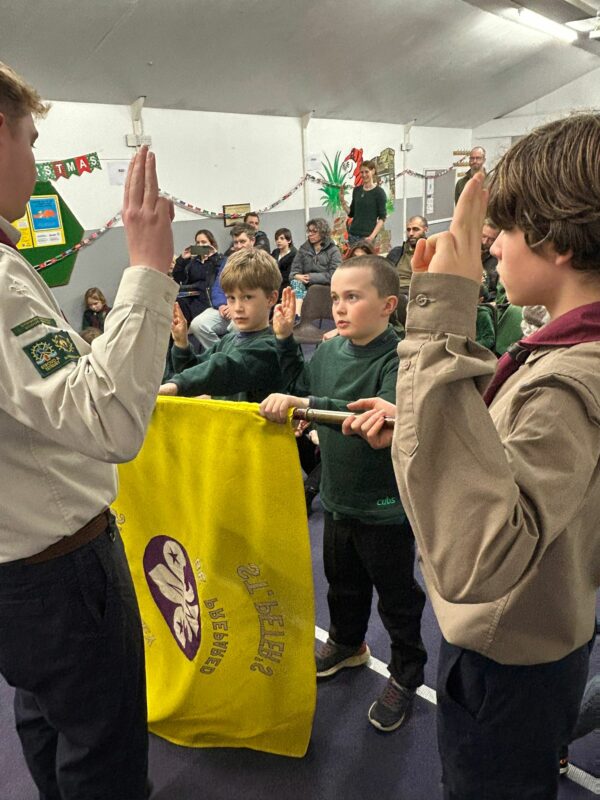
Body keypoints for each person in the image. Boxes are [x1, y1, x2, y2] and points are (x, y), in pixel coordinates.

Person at [342, 114, 600, 799]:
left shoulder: (566, 383)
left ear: (554, 241)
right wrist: (426, 418)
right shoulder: (572, 358)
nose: (493, 251)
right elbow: (517, 461)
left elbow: (479, 552)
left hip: (507, 657)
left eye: (506, 234)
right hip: (546, 631)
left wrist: (439, 324)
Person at [0, 60, 176, 800]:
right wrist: (147, 270)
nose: (35, 164)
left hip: (16, 568)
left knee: (45, 715)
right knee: (100, 750)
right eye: (29, 140)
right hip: (56, 571)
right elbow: (110, 420)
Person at [260, 256, 427, 732]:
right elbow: (302, 392)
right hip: (337, 499)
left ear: (388, 305)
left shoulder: (401, 358)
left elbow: (372, 419)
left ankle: (406, 673)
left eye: (352, 297)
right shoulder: (330, 352)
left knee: (397, 600)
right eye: (335, 297)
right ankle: (348, 644)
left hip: (385, 509)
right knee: (342, 583)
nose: (339, 307)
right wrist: (284, 342)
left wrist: (309, 406)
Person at [159, 248, 285, 402]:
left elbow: (222, 371)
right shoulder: (228, 340)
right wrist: (181, 343)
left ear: (271, 299)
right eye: (231, 298)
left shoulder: (271, 349)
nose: (238, 307)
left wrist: (175, 385)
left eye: (247, 297)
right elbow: (194, 369)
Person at [188, 222, 255, 350]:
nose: (238, 246)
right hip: (226, 308)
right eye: (235, 242)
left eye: (242, 241)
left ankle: (232, 357)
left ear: (252, 241)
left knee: (236, 326)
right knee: (198, 324)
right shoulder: (228, 262)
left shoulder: (262, 262)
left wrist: (235, 306)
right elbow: (217, 288)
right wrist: (223, 305)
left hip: (247, 309)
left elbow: (257, 294)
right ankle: (221, 354)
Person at [289, 218, 341, 312]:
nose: (310, 234)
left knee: (312, 290)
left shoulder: (333, 251)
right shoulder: (303, 249)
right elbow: (293, 272)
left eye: (314, 231)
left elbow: (334, 275)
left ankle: (299, 313)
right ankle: (298, 314)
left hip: (324, 287)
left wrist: (311, 277)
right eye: (309, 231)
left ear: (323, 233)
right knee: (295, 283)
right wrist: (296, 276)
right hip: (304, 287)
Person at [171, 228, 222, 324]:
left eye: (204, 242)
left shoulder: (217, 260)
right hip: (192, 296)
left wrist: (214, 256)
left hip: (207, 298)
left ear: (211, 244)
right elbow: (178, 278)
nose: (200, 245)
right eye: (198, 243)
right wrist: (182, 259)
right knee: (177, 305)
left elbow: (221, 273)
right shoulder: (193, 262)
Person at [339, 159, 387, 245]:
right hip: (353, 235)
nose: (364, 175)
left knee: (367, 259)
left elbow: (382, 218)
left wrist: (372, 237)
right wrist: (342, 201)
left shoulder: (379, 192)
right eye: (361, 172)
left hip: (367, 237)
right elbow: (351, 213)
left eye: (366, 172)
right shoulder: (357, 190)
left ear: (373, 171)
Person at [387, 216, 429, 295]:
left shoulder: (431, 252)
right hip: (392, 288)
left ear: (425, 229)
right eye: (408, 230)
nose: (411, 234)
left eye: (415, 229)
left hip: (414, 291)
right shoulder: (396, 252)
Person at [271, 227, 297, 293]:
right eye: (276, 239)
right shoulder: (275, 252)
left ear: (289, 240)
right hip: (273, 284)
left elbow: (289, 276)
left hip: (287, 287)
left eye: (282, 238)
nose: (278, 241)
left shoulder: (294, 255)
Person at [480, 217, 500, 299]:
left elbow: (497, 295)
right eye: (483, 236)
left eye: (491, 239)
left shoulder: (499, 261)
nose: (485, 242)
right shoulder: (467, 250)